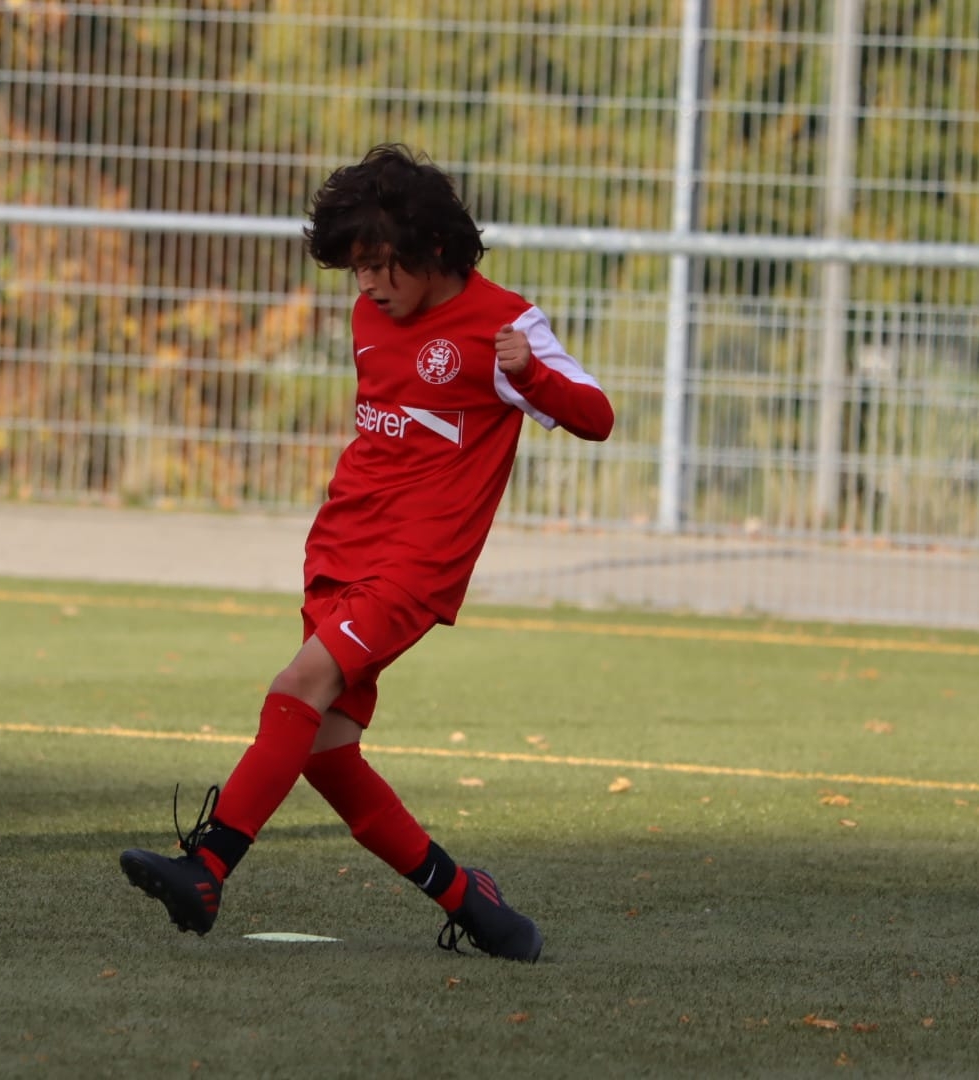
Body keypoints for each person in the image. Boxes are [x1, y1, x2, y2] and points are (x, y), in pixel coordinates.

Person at [119, 144, 614, 961]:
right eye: (357, 269)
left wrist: (533, 378)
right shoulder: (366, 318)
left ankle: (208, 869)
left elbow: (597, 416)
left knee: (295, 688)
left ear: (434, 248)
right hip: (339, 549)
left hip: (414, 568)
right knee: (326, 755)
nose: (370, 285)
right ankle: (473, 902)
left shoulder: (507, 327)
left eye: (384, 265)